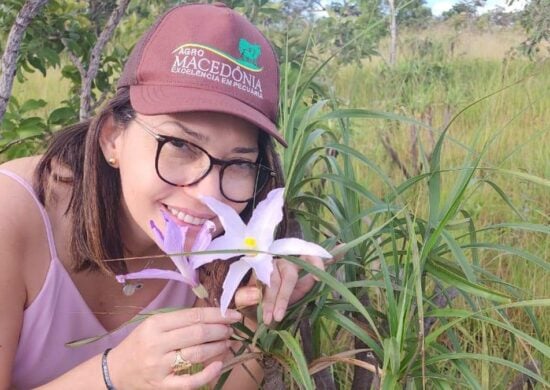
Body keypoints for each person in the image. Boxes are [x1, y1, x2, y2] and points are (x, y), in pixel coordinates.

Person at [0, 3, 325, 389]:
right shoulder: (11, 216)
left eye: (239, 164)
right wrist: (115, 374)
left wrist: (264, 312)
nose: (207, 197)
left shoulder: (226, 250)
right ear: (112, 137)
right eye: (180, 145)